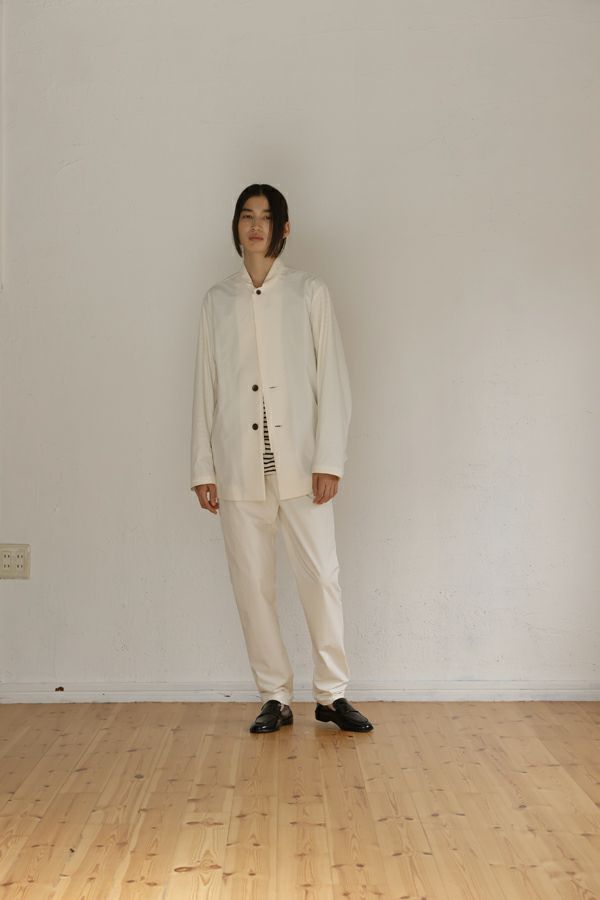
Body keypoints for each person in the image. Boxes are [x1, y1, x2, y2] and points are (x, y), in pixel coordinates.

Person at [191, 183, 373, 735]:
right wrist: (203, 467)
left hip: (302, 465)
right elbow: (205, 386)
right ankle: (274, 695)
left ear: (284, 228)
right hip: (238, 467)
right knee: (252, 586)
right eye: (247, 216)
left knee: (321, 577)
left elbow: (333, 378)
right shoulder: (217, 300)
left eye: (266, 217)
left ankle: (332, 694)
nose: (255, 226)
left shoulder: (308, 292)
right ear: (236, 225)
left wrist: (330, 460)